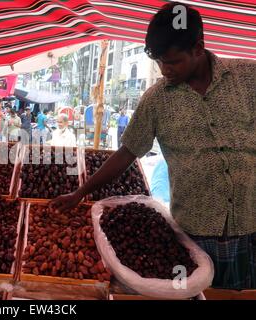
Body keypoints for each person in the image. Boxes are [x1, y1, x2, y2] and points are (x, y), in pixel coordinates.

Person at [52, 2, 256, 290]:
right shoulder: (157, 99)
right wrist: (80, 193)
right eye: (159, 62)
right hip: (198, 233)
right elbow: (127, 153)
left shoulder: (247, 78)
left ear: (198, 48)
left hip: (252, 222)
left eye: (172, 62)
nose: (164, 70)